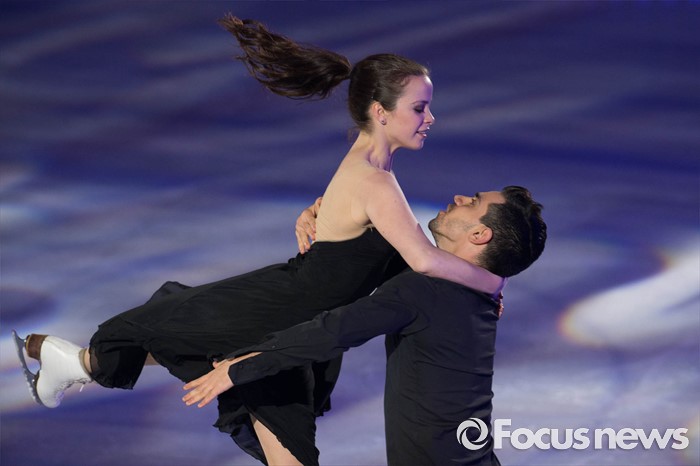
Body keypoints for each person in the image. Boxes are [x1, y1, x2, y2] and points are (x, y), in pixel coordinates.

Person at [13, 14, 505, 466]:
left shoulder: (375, 175)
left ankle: (75, 362)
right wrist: (488, 282)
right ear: (380, 111)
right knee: (256, 412)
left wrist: (324, 213)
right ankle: (76, 362)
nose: (429, 118)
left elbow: (384, 246)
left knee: (285, 445)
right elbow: (421, 258)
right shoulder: (375, 181)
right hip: (280, 313)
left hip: (298, 324)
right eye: (419, 108)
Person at [182, 186, 547, 466]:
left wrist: (240, 367)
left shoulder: (426, 291)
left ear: (480, 235)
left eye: (473, 202)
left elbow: (331, 331)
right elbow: (387, 239)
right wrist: (327, 212)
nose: (459, 197)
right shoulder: (472, 290)